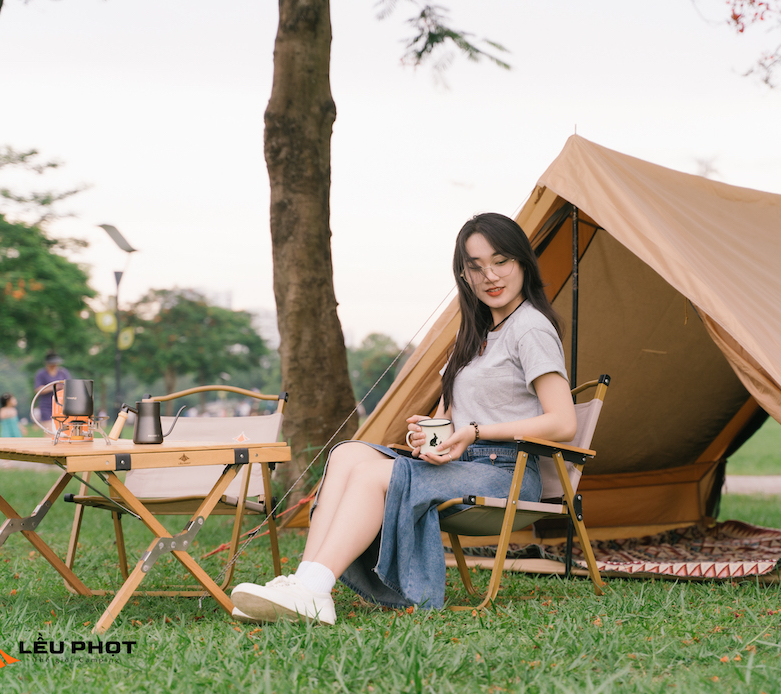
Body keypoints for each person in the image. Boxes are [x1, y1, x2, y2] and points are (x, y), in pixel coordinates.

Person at [231, 213, 577, 625]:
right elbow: (451, 419)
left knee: (371, 477)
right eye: (475, 266)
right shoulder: (477, 333)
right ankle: (306, 585)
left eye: (501, 261)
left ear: (522, 262)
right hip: (465, 464)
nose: (490, 275)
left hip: (506, 472)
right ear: (463, 276)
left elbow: (562, 422)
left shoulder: (530, 328)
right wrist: (430, 439)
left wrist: (475, 432)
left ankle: (314, 587)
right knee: (348, 455)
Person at [33, 351, 70, 435]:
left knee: (63, 432)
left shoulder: (63, 372)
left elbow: (69, 386)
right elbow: (38, 389)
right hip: (46, 405)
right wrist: (54, 387)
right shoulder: (41, 374)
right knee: (49, 432)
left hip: (61, 405)